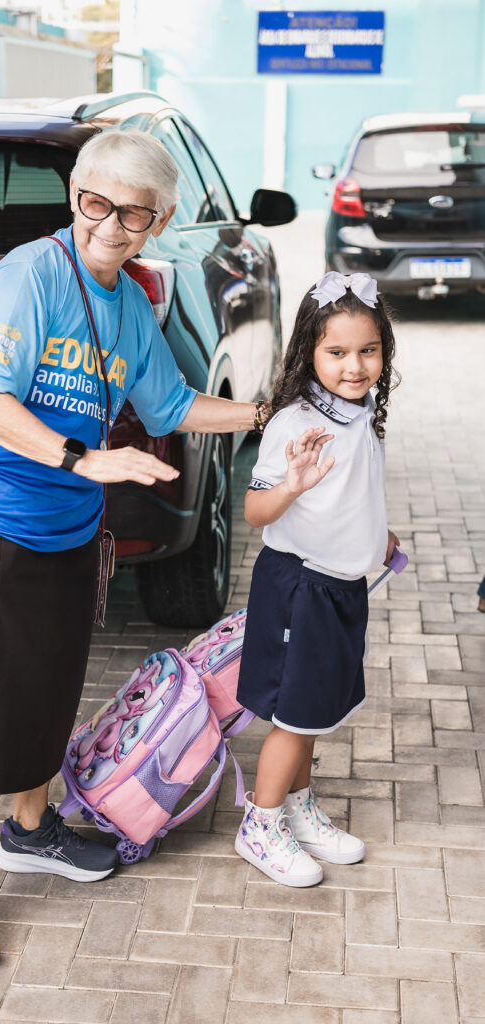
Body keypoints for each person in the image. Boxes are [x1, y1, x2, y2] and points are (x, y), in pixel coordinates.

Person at [0, 128, 261, 970]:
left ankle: (30, 828)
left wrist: (267, 413)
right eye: (93, 203)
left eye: (131, 213)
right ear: (74, 194)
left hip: (67, 524)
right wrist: (84, 459)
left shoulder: (130, 304)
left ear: (159, 220)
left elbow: (171, 404)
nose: (107, 226)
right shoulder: (28, 277)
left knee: (47, 680)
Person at [234, 271, 400, 888]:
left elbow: (355, 490)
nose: (355, 366)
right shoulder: (295, 423)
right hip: (299, 588)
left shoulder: (359, 408)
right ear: (309, 351)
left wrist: (378, 535)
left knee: (313, 712)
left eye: (368, 350)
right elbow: (256, 511)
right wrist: (292, 485)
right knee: (292, 716)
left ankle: (297, 811)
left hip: (340, 588)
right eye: (337, 352)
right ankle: (260, 824)